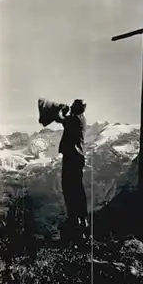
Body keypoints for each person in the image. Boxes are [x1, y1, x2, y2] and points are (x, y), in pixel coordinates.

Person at [56, 99, 88, 244]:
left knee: (69, 188)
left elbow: (61, 119)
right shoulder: (80, 119)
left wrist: (63, 111)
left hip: (72, 158)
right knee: (76, 189)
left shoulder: (74, 119)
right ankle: (80, 220)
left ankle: (75, 221)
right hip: (76, 157)